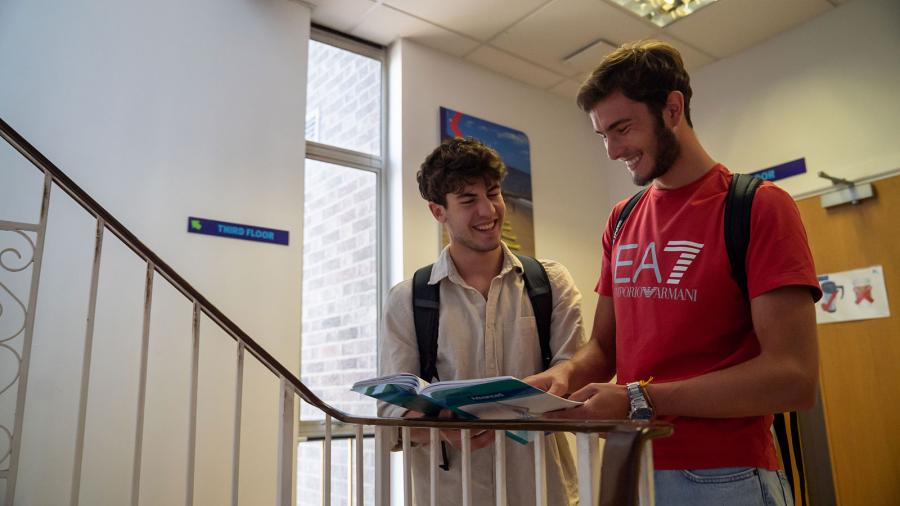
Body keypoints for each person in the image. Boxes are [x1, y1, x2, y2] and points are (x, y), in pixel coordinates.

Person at [525, 40, 822, 505]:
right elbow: (605, 348)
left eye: (621, 128)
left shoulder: (757, 207)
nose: (611, 150)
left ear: (672, 109)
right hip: (632, 463)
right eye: (602, 135)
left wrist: (640, 399)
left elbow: (792, 377)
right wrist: (564, 375)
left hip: (727, 477)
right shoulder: (621, 219)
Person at [378, 137, 586, 505]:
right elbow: (392, 413)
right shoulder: (407, 299)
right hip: (451, 493)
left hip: (542, 489)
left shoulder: (551, 283)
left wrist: (561, 384)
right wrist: (441, 429)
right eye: (468, 200)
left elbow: (578, 372)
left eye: (494, 193)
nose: (488, 210)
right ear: (438, 211)